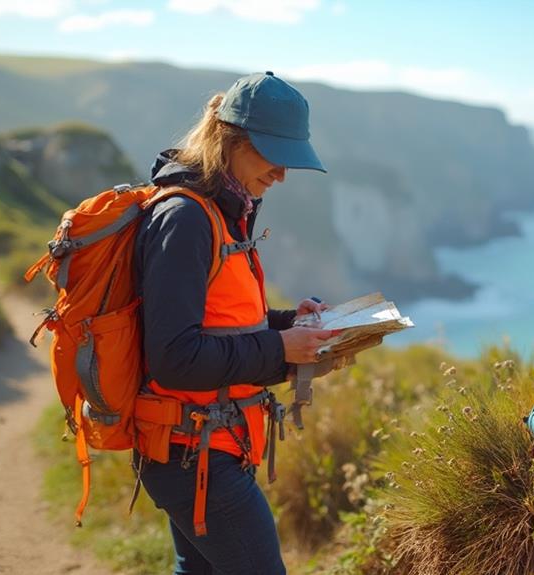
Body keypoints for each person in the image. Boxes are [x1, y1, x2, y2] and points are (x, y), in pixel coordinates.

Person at [133, 71, 332, 575]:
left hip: (202, 446)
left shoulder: (225, 211)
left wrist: (289, 322)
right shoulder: (186, 219)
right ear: (231, 140)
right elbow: (175, 357)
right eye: (274, 154)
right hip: (194, 454)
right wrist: (283, 349)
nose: (284, 174)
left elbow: (217, 319)